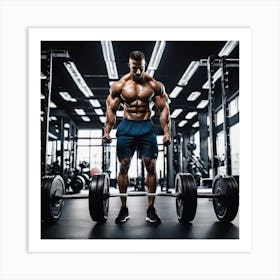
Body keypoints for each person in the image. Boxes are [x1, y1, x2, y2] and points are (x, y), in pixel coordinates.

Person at [103, 50, 171, 224]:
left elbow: (163, 108)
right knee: (124, 165)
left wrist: (167, 132)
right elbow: (111, 108)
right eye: (135, 68)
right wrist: (107, 131)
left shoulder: (154, 85)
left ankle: (151, 208)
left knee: (150, 165)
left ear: (145, 66)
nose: (138, 72)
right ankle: (124, 208)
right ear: (129, 66)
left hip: (147, 127)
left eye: (141, 68)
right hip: (127, 126)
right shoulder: (120, 86)